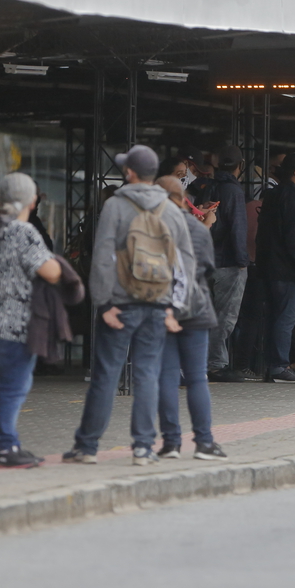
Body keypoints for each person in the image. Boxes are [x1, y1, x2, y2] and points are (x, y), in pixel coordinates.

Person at [65, 145, 196, 466]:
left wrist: (104, 301)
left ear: (130, 173)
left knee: (106, 375)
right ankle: (142, 448)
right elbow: (185, 262)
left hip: (119, 305)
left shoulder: (116, 205)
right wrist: (175, 308)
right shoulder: (170, 209)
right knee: (147, 375)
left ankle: (87, 447)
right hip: (157, 303)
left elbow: (103, 258)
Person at [0, 172, 62, 468]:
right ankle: (5, 447)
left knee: (8, 384)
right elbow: (50, 271)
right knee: (15, 387)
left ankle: (9, 443)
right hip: (15, 322)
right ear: (31, 199)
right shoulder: (23, 231)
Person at [154, 176, 227, 460]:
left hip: (162, 308)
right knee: (197, 378)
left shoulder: (152, 228)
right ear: (182, 196)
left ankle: (171, 443)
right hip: (195, 307)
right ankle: (205, 443)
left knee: (167, 377)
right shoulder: (197, 228)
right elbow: (208, 267)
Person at [256, 151, 295, 383]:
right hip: (287, 270)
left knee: (274, 317)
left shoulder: (273, 195)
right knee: (286, 319)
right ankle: (279, 366)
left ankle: (273, 365)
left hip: (270, 267)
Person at [204, 146, 253, 382]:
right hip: (228, 262)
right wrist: (242, 260)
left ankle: (203, 362)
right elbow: (237, 227)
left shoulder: (209, 187)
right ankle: (215, 365)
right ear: (240, 166)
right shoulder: (234, 191)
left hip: (206, 260)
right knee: (225, 317)